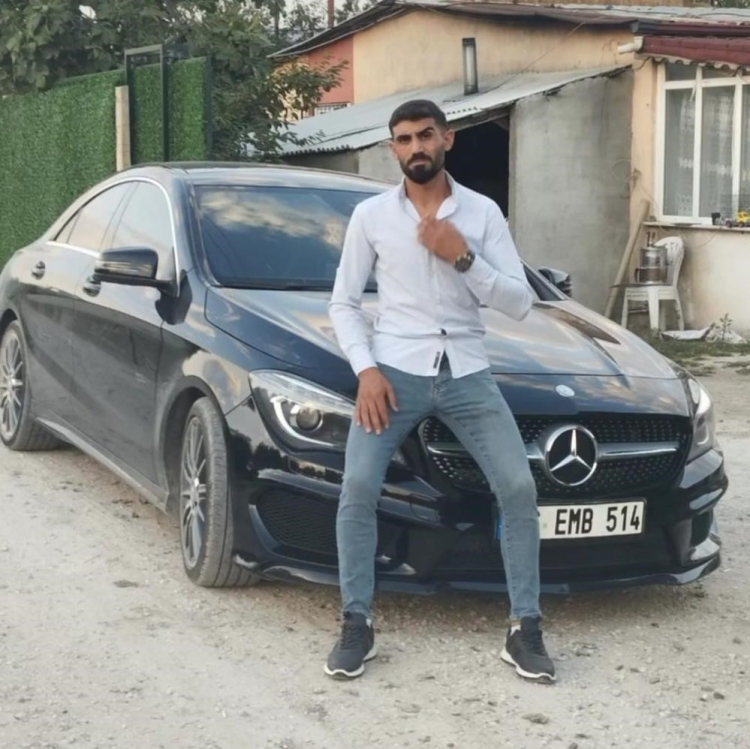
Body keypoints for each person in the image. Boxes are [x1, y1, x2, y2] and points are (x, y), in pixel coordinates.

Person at [325, 100, 554, 684]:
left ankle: (524, 628)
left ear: (446, 139)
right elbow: (343, 303)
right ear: (393, 149)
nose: (415, 147)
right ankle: (357, 621)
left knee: (518, 487)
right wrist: (365, 370)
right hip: (393, 372)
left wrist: (463, 257)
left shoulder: (482, 212)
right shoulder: (372, 216)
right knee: (357, 485)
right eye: (403, 140)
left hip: (467, 372)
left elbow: (520, 302)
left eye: (425, 135)